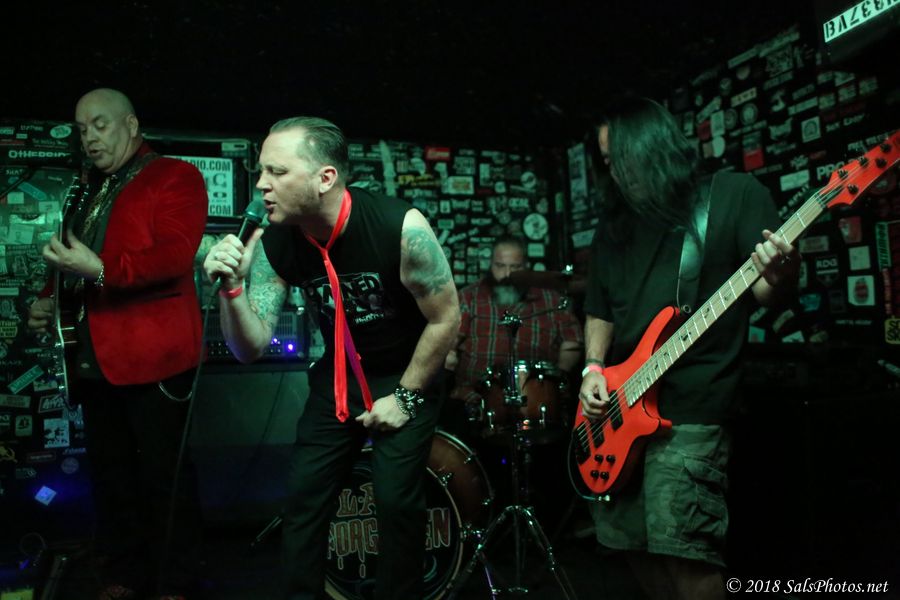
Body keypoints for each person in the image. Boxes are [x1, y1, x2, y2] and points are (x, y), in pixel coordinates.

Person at [202, 116, 460, 599]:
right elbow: (248, 347)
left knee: (395, 500)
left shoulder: (399, 227)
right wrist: (232, 290)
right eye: (262, 170)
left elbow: (447, 318)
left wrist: (406, 397)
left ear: (325, 178)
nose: (261, 184)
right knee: (303, 498)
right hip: (338, 377)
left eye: (277, 171)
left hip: (406, 373)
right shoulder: (277, 240)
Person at [578, 97, 800, 600]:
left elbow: (767, 292)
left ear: (654, 147)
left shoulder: (733, 196)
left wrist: (782, 272)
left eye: (623, 159)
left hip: (691, 413)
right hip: (620, 408)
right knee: (631, 548)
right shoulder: (613, 225)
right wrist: (592, 368)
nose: (616, 173)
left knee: (686, 557)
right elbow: (600, 309)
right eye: (607, 162)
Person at [27, 88, 208, 600]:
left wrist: (101, 269)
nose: (89, 137)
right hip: (93, 357)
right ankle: (123, 576)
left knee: (163, 476)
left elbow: (174, 257)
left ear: (130, 125)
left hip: (155, 358)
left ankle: (175, 582)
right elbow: (72, 259)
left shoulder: (174, 175)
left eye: (100, 125)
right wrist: (48, 300)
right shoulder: (88, 188)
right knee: (112, 476)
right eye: (82, 129)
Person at [446, 236, 583, 427]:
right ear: (490, 264)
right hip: (474, 398)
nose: (507, 274)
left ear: (526, 266)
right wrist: (449, 361)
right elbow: (450, 345)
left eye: (515, 267)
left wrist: (556, 380)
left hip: (537, 399)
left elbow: (573, 341)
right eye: (500, 266)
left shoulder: (551, 301)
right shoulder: (469, 297)